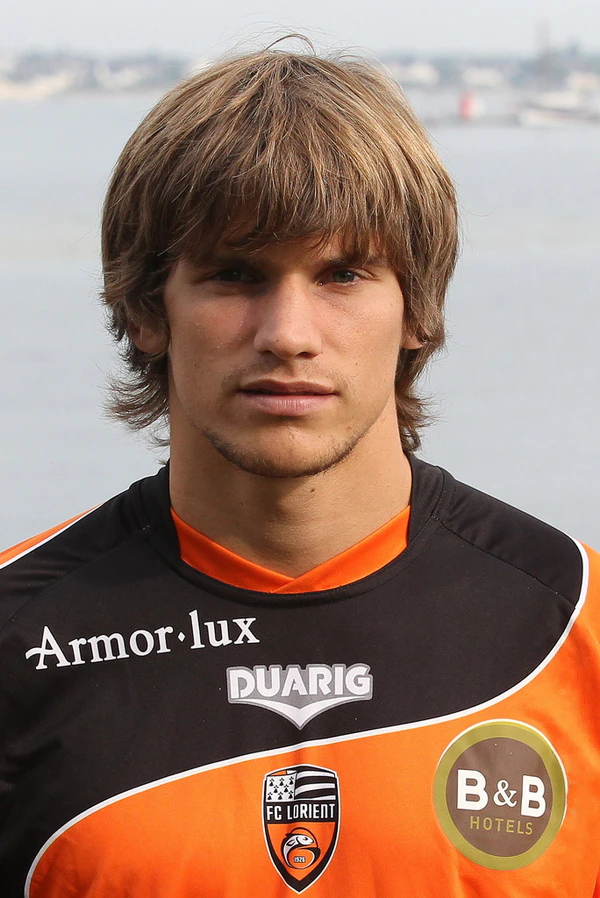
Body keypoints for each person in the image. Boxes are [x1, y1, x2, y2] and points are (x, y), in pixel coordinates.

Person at [1, 43, 599, 898]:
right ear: (143, 310)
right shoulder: (17, 636)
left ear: (418, 308)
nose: (288, 334)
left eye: (342, 274)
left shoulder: (578, 629)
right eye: (235, 275)